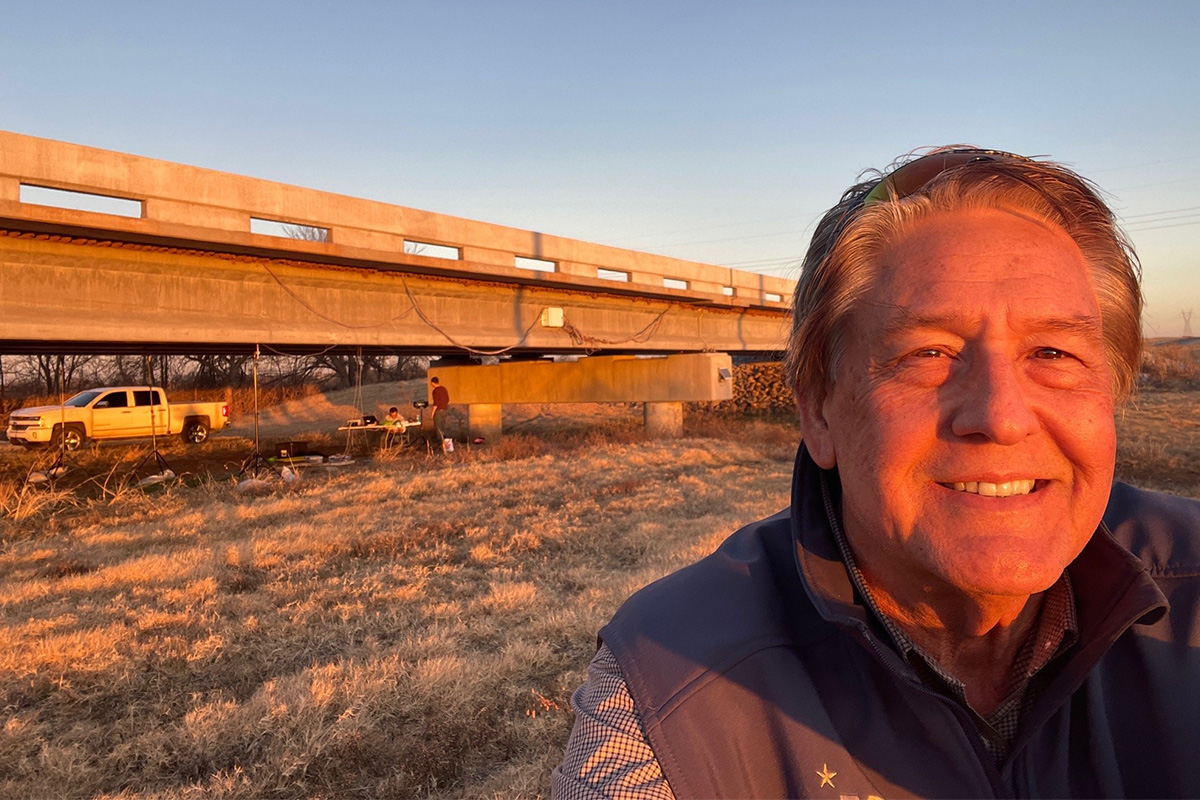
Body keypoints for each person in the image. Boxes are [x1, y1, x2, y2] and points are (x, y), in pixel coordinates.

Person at [552, 147, 1200, 798]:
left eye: (1054, 352)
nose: (1002, 417)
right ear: (819, 412)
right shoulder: (666, 692)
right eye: (928, 353)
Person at [430, 376, 450, 444]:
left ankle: (441, 444)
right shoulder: (444, 389)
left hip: (438, 411)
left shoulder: (435, 391)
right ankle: (446, 443)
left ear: (432, 383)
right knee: (443, 428)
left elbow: (436, 403)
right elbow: (447, 399)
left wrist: (432, 414)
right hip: (445, 410)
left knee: (438, 429)